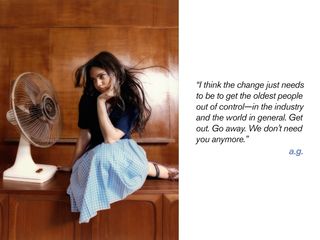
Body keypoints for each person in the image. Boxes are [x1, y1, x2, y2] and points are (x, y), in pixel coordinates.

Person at [66, 51, 178, 223]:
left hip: (122, 150)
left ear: (114, 72)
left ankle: (161, 171)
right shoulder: (87, 99)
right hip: (95, 153)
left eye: (102, 76)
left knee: (106, 156)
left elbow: (111, 138)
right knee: (97, 159)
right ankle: (150, 168)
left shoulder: (129, 100)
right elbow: (84, 135)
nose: (98, 83)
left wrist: (101, 102)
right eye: (93, 79)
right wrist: (73, 165)